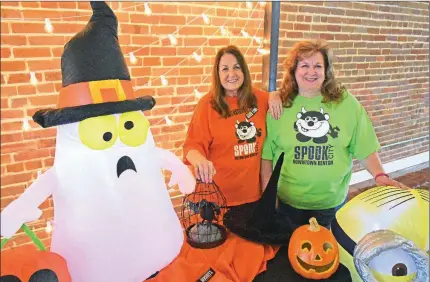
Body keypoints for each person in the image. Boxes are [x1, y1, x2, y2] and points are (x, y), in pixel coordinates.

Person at [260, 39, 409, 229]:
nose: (311, 71)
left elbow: (364, 146)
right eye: (304, 65)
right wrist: (268, 201)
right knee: (290, 253)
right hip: (288, 204)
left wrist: (379, 174)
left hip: (331, 205)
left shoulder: (346, 104)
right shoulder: (279, 106)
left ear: (326, 71)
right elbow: (267, 158)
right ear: (294, 71)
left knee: (329, 254)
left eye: (318, 66)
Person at [183, 45, 282, 207]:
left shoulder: (261, 99)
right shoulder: (207, 105)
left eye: (237, 67)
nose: (232, 74)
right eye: (225, 69)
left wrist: (276, 94)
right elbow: (191, 146)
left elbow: (285, 98)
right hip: (216, 200)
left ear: (244, 71)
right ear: (217, 74)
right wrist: (199, 159)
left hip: (253, 197)